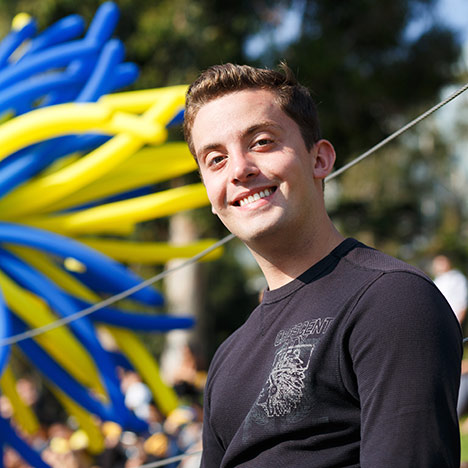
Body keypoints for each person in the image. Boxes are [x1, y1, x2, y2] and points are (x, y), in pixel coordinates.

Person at [183, 63, 463, 467]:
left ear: (320, 159)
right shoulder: (228, 356)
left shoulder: (392, 300)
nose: (240, 170)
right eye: (216, 159)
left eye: (261, 142)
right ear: (210, 193)